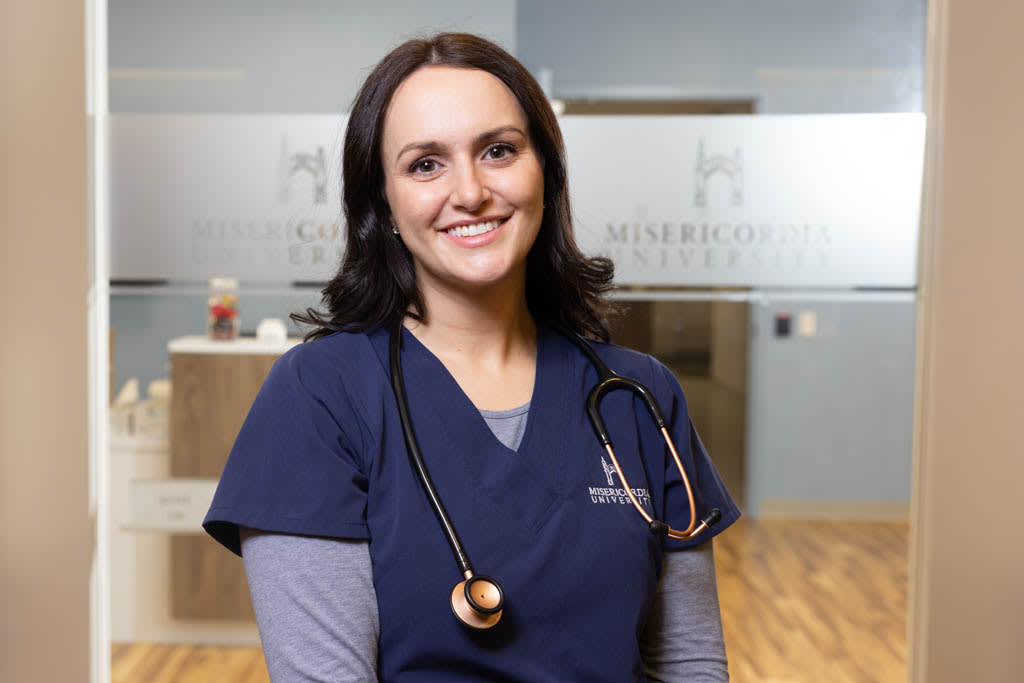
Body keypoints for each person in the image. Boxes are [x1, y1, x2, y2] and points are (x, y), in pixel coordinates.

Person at [203, 32, 740, 682]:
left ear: (546, 170)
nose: (471, 190)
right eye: (425, 164)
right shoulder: (320, 397)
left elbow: (689, 663)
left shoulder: (638, 394)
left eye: (498, 150)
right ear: (385, 204)